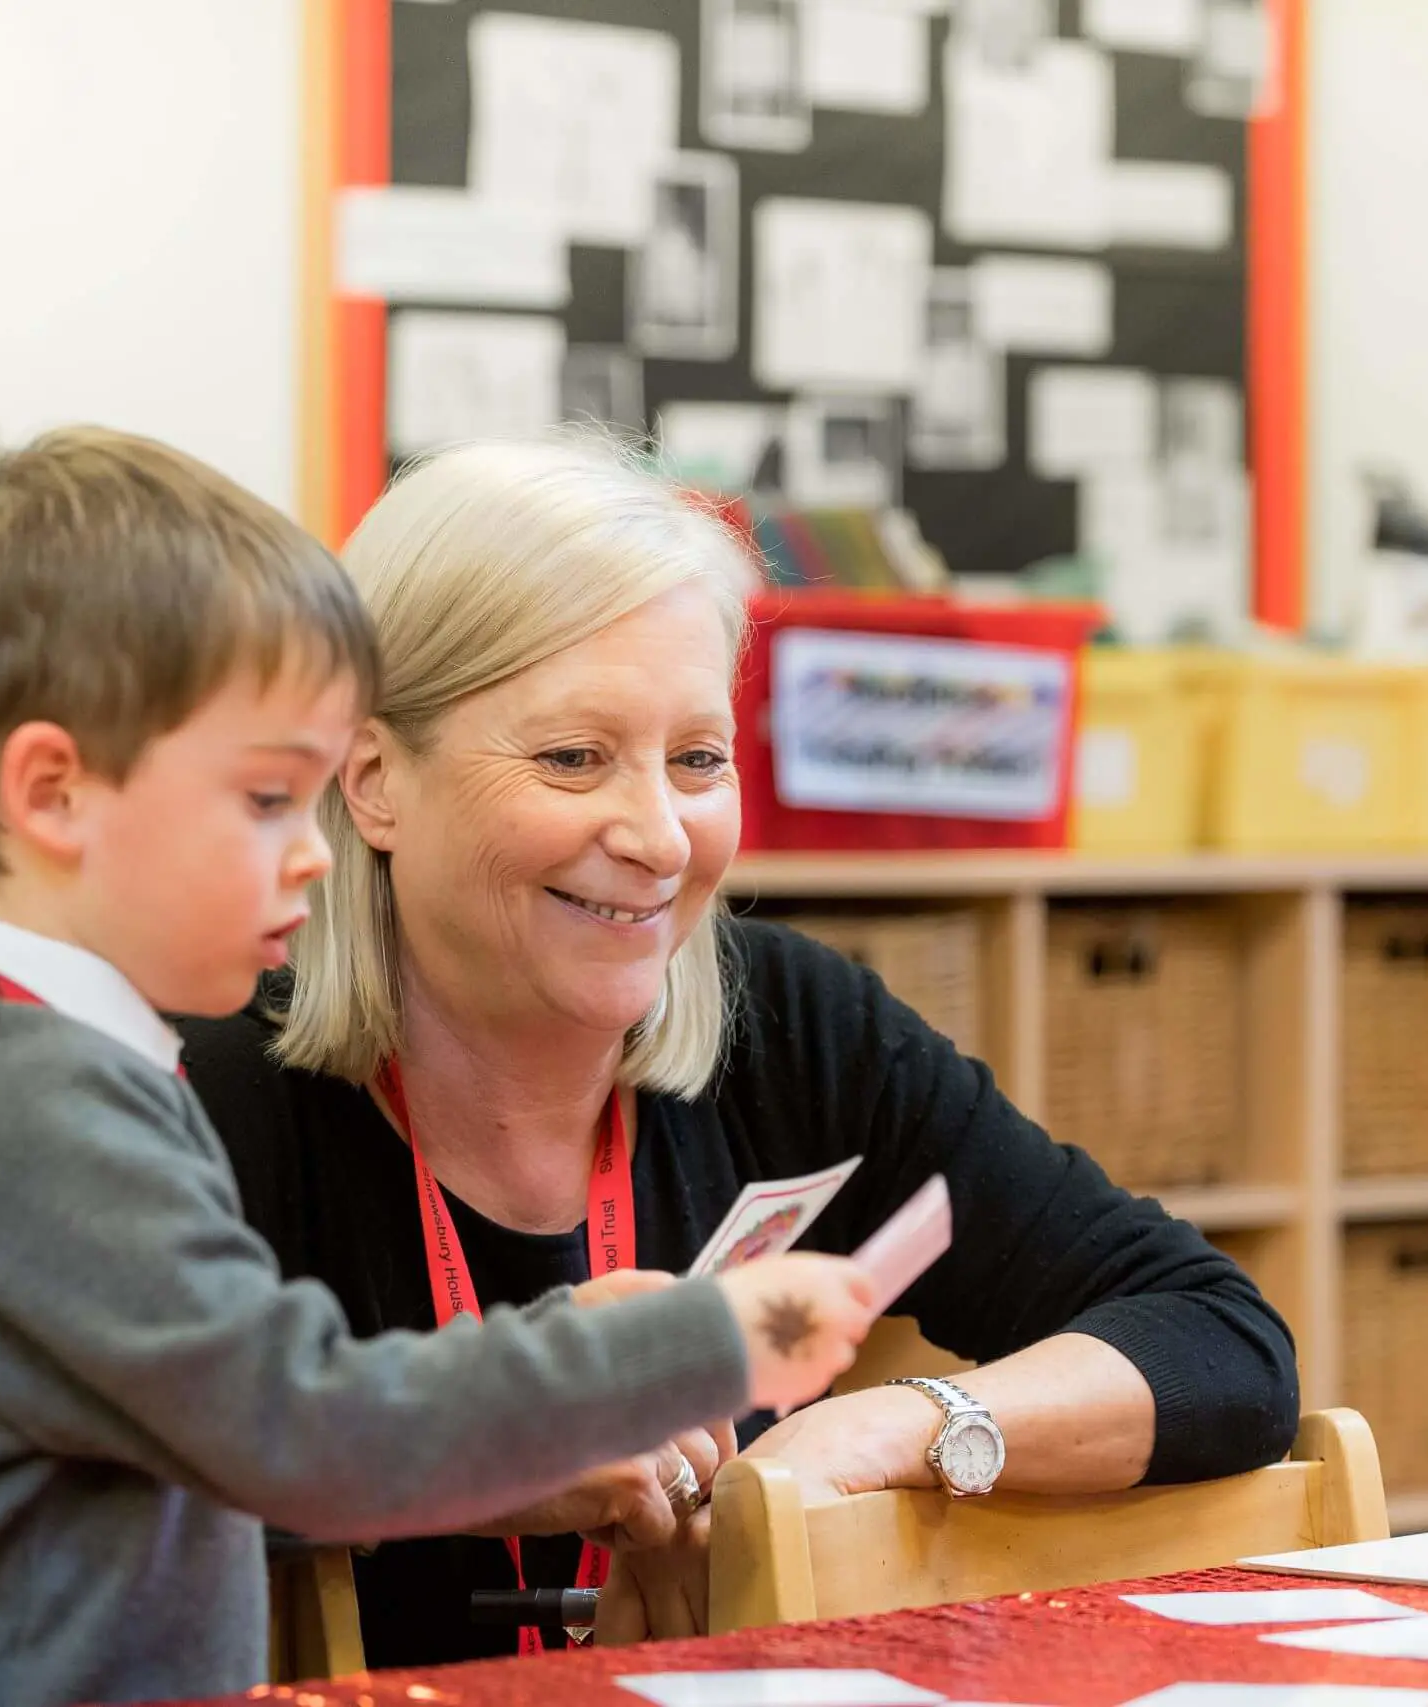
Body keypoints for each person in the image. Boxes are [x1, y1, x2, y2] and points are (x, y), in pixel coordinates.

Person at [0, 428, 882, 1707]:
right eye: (269, 800)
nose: (315, 851)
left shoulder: (47, 1065)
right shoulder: (20, 1104)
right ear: (53, 796)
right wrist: (685, 1346)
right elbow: (299, 1426)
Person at [179, 436, 1302, 1665]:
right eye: (572, 758)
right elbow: (77, 1476)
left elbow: (1220, 1344)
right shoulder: (204, 1088)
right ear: (377, 779)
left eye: (697, 760)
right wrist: (468, 1452)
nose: (660, 837)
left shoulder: (790, 1029)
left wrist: (892, 1429)